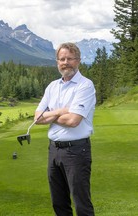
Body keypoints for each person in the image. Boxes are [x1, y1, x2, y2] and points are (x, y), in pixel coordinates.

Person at [34, 42, 96, 216]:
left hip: (76, 151)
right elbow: (37, 118)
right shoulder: (52, 86)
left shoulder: (85, 85)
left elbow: (73, 120)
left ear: (78, 61)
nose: (65, 62)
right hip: (54, 150)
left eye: (70, 58)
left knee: (81, 203)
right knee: (59, 203)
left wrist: (50, 115)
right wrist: (62, 110)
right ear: (57, 62)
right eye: (62, 59)